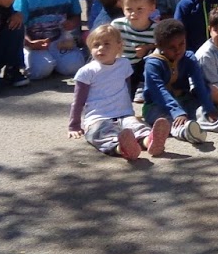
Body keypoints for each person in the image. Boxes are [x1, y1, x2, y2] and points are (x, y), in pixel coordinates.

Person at [67, 24, 169, 160]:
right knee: (102, 134)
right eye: (96, 45)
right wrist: (74, 126)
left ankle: (150, 141)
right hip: (98, 118)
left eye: (106, 44)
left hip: (124, 114)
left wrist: (129, 110)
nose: (100, 48)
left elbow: (126, 89)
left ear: (119, 47)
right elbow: (78, 101)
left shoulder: (124, 64)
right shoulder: (87, 71)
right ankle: (122, 148)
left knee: (136, 127)